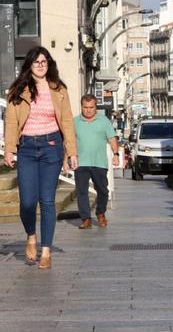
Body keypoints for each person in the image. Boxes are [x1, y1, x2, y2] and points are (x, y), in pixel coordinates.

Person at [3, 46, 78, 270]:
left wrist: (71, 152)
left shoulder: (59, 89)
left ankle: (46, 251)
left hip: (51, 147)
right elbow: (10, 122)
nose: (40, 65)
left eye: (44, 62)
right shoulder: (18, 90)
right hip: (26, 148)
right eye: (36, 62)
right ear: (29, 65)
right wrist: (9, 148)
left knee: (46, 200)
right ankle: (31, 236)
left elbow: (66, 121)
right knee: (27, 202)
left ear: (49, 64)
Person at [73, 94, 119, 229]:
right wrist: (66, 159)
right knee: (81, 191)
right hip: (81, 163)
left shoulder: (104, 121)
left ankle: (100, 213)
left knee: (103, 190)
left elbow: (112, 139)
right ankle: (86, 219)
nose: (88, 110)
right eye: (85, 107)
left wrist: (115, 154)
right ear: (81, 107)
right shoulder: (74, 122)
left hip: (99, 163)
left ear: (96, 107)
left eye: (91, 107)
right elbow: (68, 142)